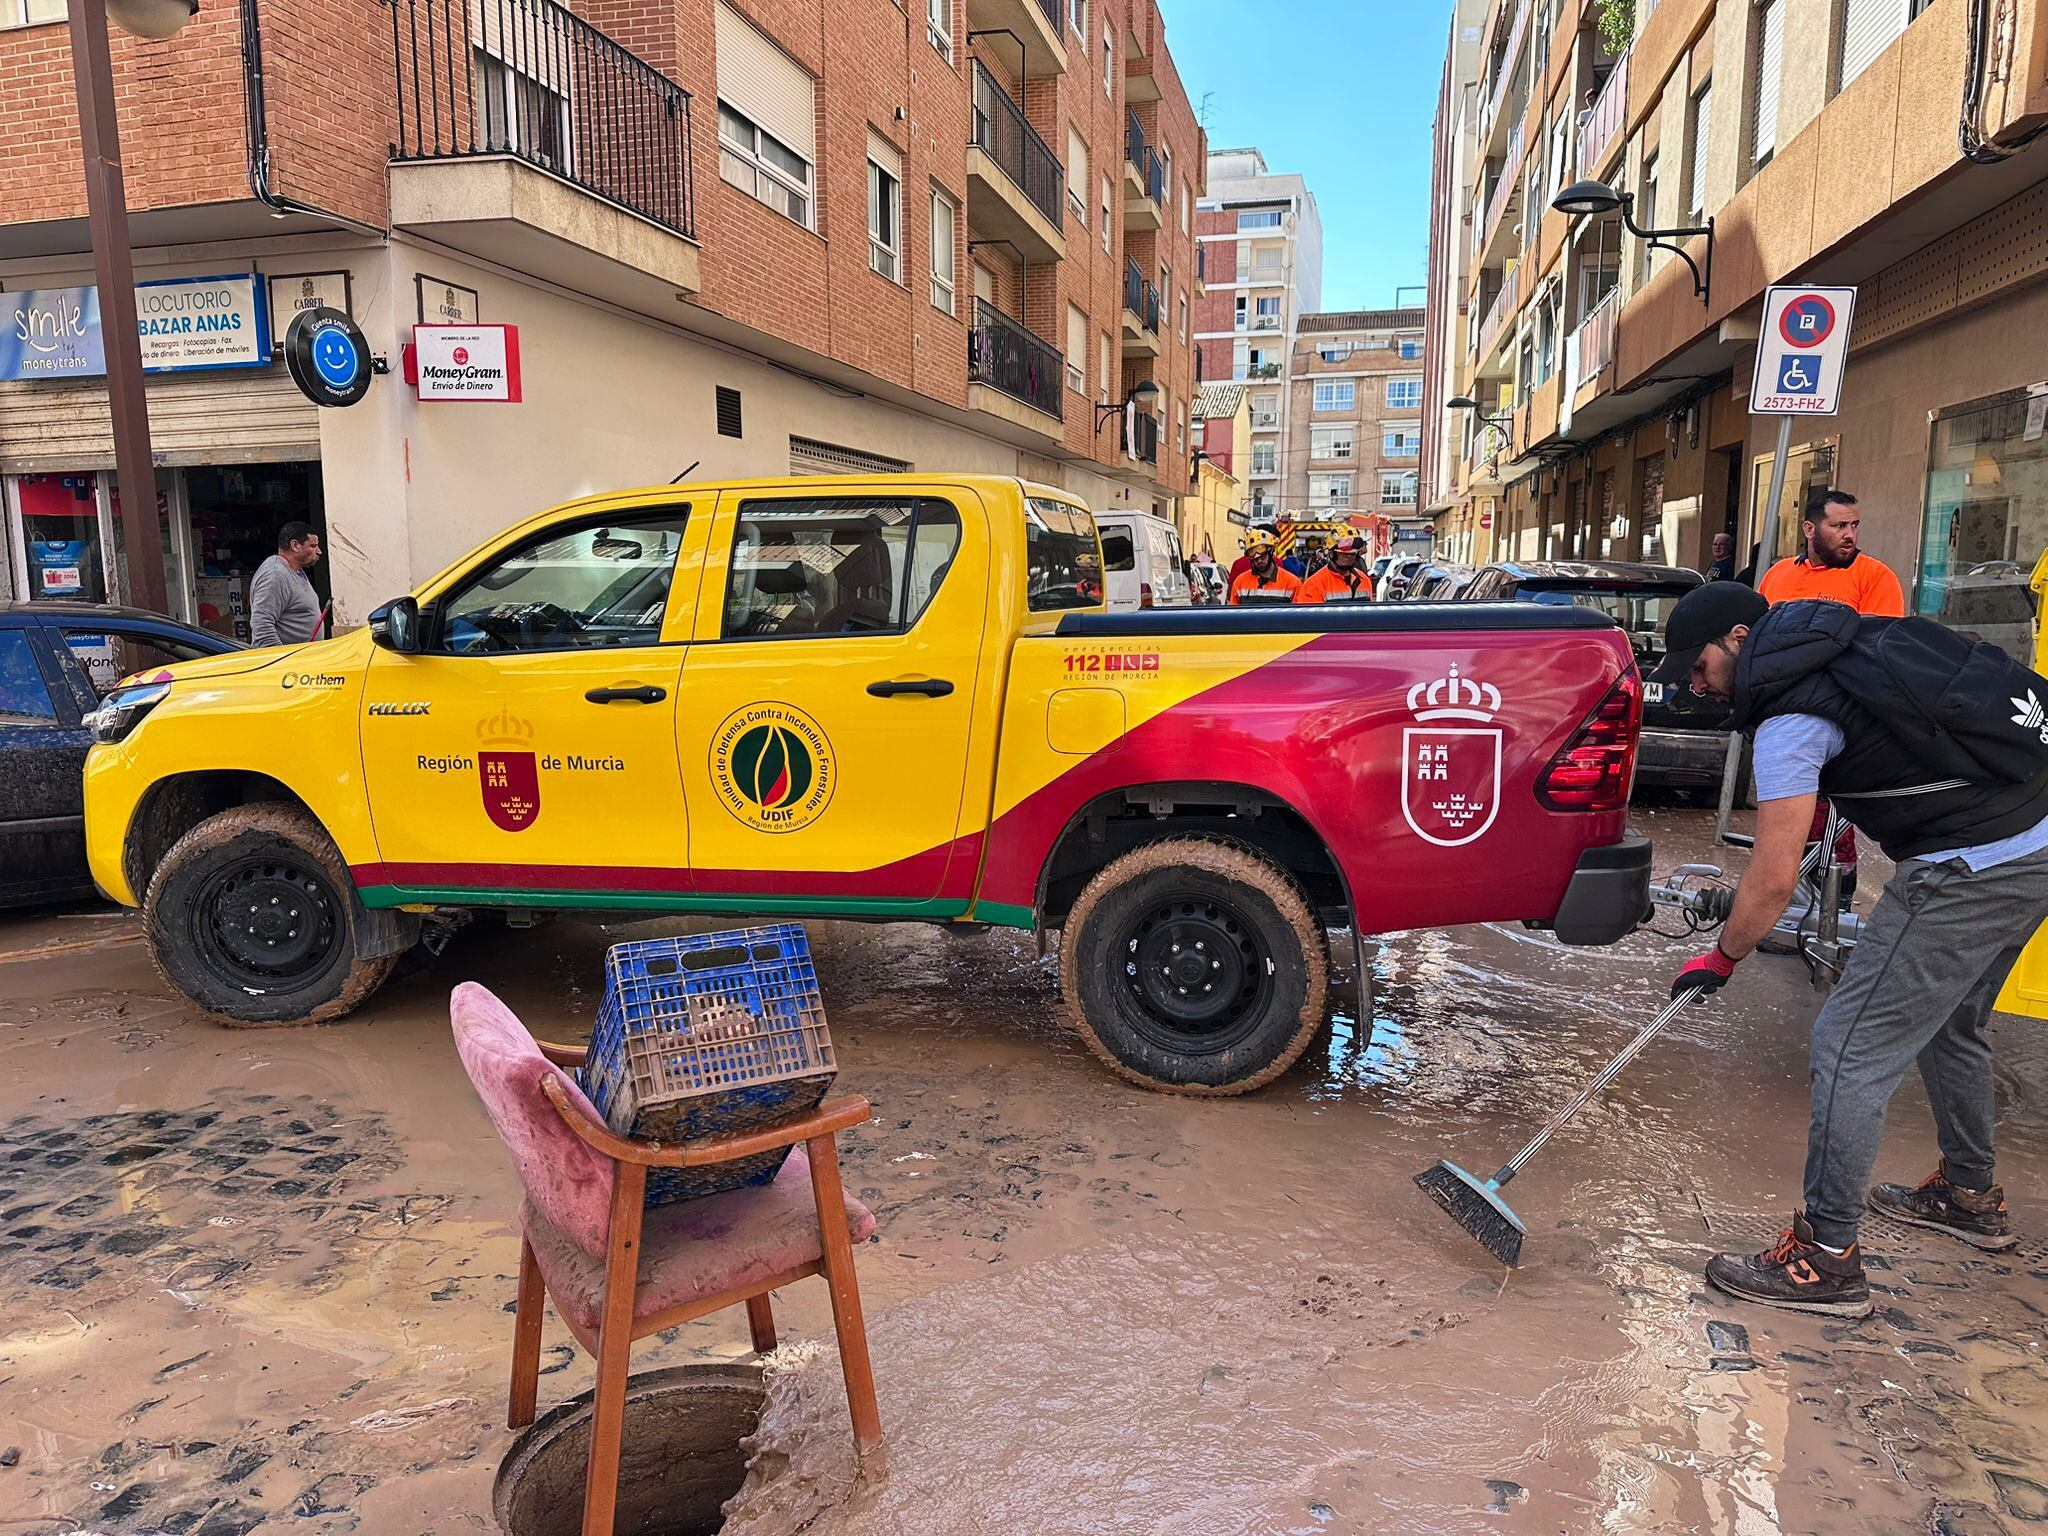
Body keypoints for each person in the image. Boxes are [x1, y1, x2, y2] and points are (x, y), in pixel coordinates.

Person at [1653, 582, 2048, 1317]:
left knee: (1847, 1046)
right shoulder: (1844, 644)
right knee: (1953, 1021)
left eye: (1699, 666)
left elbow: (1770, 881)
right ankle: (1969, 1196)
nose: (1694, 685)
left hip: (1972, 864)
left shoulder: (1792, 719)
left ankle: (1826, 1257)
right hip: (2038, 836)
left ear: (1739, 638)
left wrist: (1724, 956)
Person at [1756, 490, 1905, 615]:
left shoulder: (1876, 576)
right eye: (1840, 526)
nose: (1850, 535)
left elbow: (1876, 643)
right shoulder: (1777, 572)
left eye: (1854, 525)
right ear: (1809, 530)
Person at [249, 521, 324, 647]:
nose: (319, 551)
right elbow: (262, 627)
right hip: (287, 663)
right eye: (313, 546)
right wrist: (283, 661)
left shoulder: (295, 570)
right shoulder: (275, 575)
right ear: (295, 546)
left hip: (303, 660)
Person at [1295, 535, 1375, 603]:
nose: (1349, 557)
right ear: (1332, 554)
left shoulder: (1364, 580)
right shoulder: (1314, 584)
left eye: (1352, 554)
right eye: (1344, 554)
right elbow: (1308, 619)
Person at [1228, 531, 1302, 603]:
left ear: (1271, 553)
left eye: (1263, 557)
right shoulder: (1240, 583)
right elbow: (1233, 613)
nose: (1259, 561)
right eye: (1255, 559)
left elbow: (1298, 614)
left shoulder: (1292, 583)